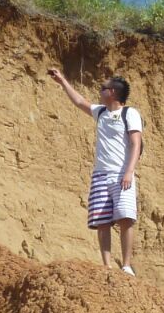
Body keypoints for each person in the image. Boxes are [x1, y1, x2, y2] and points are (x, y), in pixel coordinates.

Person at [48, 67, 143, 275]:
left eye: (103, 88)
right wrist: (62, 81)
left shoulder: (129, 113)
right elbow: (80, 102)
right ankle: (107, 266)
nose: (100, 91)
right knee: (102, 220)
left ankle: (126, 265)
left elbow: (136, 143)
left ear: (112, 93)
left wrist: (129, 172)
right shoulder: (101, 112)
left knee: (126, 218)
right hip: (101, 174)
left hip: (121, 174)